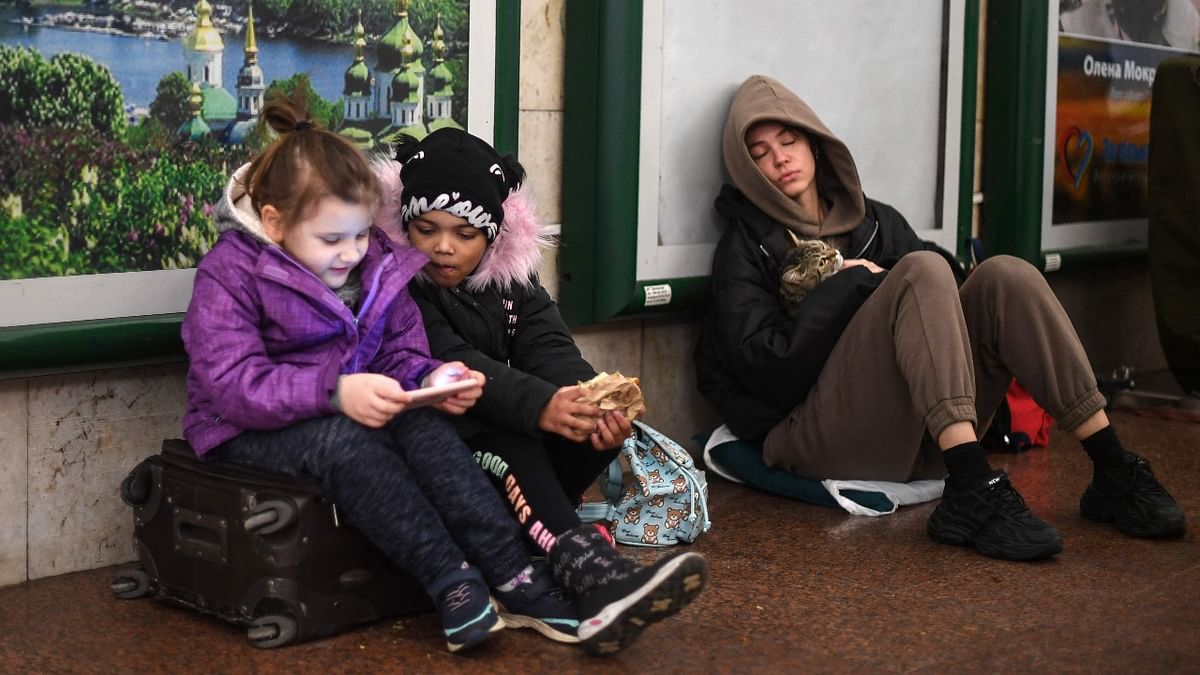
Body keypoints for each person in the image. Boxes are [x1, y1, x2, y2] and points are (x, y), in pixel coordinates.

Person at [694, 74, 1187, 562]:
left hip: (917, 435)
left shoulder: (875, 222)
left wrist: (880, 280)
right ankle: (973, 486)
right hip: (813, 434)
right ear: (746, 171)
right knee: (918, 270)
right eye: (759, 154)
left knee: (1005, 277)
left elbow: (946, 289)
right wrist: (850, 285)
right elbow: (765, 366)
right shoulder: (745, 248)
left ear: (815, 145)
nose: (779, 158)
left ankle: (1111, 466)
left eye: (789, 140)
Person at [180, 95, 579, 653]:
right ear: (273, 222)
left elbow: (400, 350)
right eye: (331, 239)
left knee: (426, 429)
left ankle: (513, 574)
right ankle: (451, 581)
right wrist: (336, 392)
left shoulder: (373, 261)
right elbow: (231, 384)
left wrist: (431, 379)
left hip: (345, 402)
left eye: (361, 234)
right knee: (346, 443)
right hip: (241, 428)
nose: (351, 253)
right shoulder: (228, 272)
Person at [373, 128, 708, 656]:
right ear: (403, 224)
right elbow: (449, 360)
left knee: (593, 434)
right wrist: (540, 407)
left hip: (488, 432)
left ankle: (541, 546)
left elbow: (547, 345)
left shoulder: (510, 281)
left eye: (464, 233)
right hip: (429, 447)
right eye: (426, 228)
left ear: (491, 236)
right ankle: (596, 583)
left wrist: (584, 401)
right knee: (515, 445)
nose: (443, 246)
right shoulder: (398, 284)